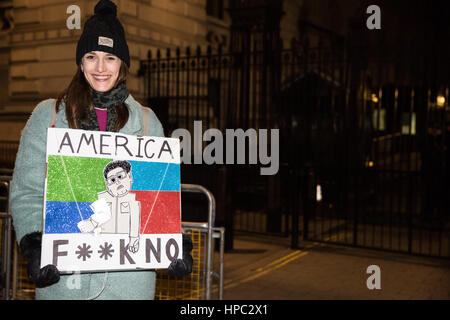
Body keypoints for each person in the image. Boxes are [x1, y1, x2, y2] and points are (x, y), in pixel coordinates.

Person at [10, 0, 192, 300]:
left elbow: (157, 199)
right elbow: (26, 191)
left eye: (110, 57)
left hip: (129, 286)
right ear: (81, 62)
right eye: (91, 56)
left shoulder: (147, 122)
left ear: (122, 64)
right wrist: (34, 243)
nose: (100, 67)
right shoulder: (49, 116)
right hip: (64, 284)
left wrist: (174, 243)